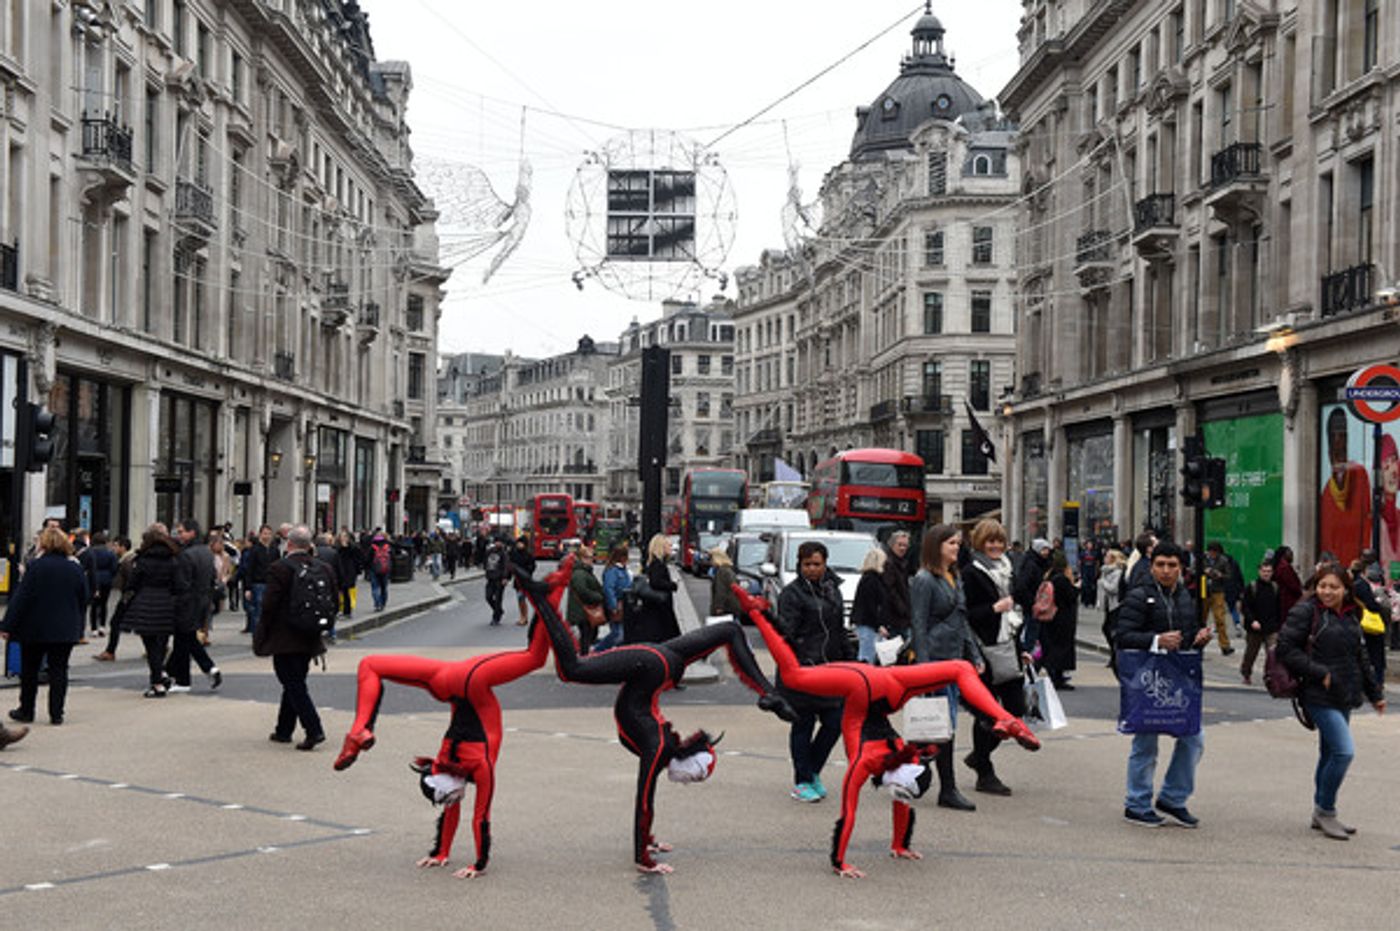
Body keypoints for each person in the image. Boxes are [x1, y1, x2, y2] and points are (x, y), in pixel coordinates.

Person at [735, 584, 1039, 879]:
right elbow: (849, 812)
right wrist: (840, 863)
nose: (899, 796)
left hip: (887, 685)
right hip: (867, 687)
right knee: (794, 676)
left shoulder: (905, 758)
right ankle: (757, 612)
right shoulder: (872, 762)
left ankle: (1006, 719)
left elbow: (894, 800)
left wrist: (899, 845)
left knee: (960, 668)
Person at [523, 557, 796, 874]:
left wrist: (648, 840)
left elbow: (645, 802)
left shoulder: (660, 743)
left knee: (731, 630)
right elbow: (644, 800)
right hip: (653, 665)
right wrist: (644, 858)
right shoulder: (657, 745)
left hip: (664, 662)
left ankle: (767, 692)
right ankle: (541, 598)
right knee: (571, 669)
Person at [332, 609, 553, 878]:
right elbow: (455, 810)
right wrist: (440, 852)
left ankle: (551, 594)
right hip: (446, 681)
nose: (454, 800)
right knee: (370, 664)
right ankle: (359, 730)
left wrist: (477, 865)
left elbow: (480, 818)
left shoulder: (479, 767)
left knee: (535, 657)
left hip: (472, 681)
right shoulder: (442, 762)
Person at [1277, 562, 1385, 840]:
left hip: (1345, 693)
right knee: (1343, 752)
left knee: (1329, 753)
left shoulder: (1351, 614)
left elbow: (1361, 657)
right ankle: (1326, 811)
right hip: (1316, 694)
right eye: (1322, 585)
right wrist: (1319, 672)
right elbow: (1286, 649)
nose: (1327, 591)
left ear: (1345, 589)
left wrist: (1375, 694)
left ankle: (1319, 811)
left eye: (1333, 587)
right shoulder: (1306, 611)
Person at [1115, 542, 1210, 827]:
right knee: (1145, 742)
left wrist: (1197, 639)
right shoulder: (1138, 596)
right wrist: (1156, 640)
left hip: (1177, 678)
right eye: (1161, 565)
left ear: (1181, 568)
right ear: (1151, 565)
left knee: (1193, 738)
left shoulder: (1184, 597)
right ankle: (1137, 802)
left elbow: (1187, 634)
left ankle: (1173, 797)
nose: (1166, 571)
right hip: (1148, 679)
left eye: (1172, 565)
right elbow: (1123, 635)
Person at [910, 524, 983, 811]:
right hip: (935, 660)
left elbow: (961, 620)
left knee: (944, 724)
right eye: (951, 543)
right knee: (938, 724)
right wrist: (924, 666)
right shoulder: (924, 579)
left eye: (958, 543)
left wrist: (974, 654)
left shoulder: (954, 576)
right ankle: (939, 784)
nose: (957, 547)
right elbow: (917, 622)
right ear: (936, 545)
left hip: (953, 659)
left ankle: (937, 783)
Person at [777, 540, 852, 804]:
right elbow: (784, 634)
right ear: (799, 564)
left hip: (831, 669)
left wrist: (850, 660)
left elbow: (839, 629)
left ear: (825, 563)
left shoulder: (833, 590)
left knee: (835, 723)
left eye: (816, 564)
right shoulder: (791, 594)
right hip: (802, 671)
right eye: (806, 564)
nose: (811, 569)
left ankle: (812, 771)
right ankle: (802, 780)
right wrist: (799, 662)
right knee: (803, 725)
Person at [961, 519, 1028, 796]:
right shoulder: (971, 572)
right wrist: (994, 607)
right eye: (990, 541)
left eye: (999, 541)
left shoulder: (1007, 569)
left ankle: (978, 755)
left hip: (1006, 646)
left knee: (1015, 709)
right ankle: (984, 771)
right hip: (983, 652)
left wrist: (1021, 647)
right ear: (979, 543)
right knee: (988, 714)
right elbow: (966, 615)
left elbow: (1013, 615)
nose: (995, 546)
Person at [2, 526, 88, 726]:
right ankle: (56, 713)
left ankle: (26, 709)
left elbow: (21, 598)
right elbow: (84, 596)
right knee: (59, 670)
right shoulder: (75, 567)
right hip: (65, 628)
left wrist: (7, 625)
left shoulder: (36, 567)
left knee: (30, 670)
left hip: (35, 627)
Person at [253, 526, 328, 751]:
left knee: (292, 682)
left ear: (290, 544)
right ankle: (284, 729)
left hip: (284, 635)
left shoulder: (280, 568)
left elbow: (269, 604)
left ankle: (313, 729)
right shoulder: (322, 567)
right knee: (295, 681)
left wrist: (262, 632)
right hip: (310, 634)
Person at [118, 524, 190, 698]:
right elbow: (180, 585)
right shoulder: (173, 559)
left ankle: (157, 681)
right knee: (161, 643)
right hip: (166, 604)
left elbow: (132, 583)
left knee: (151, 646)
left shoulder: (142, 560)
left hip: (145, 602)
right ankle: (160, 675)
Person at [165, 520, 221, 692]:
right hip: (202, 602)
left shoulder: (186, 555)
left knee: (185, 638)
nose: (179, 535)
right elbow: (212, 578)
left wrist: (174, 601)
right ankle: (182, 675)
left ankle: (180, 677)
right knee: (185, 640)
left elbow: (182, 584)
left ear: (192, 533)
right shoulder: (206, 552)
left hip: (187, 603)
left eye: (182, 532)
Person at [1319, 409, 1372, 568]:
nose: (1337, 442)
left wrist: (1362, 563)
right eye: (1333, 436)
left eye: (1342, 435)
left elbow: (1367, 522)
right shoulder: (1327, 492)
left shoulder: (1360, 475)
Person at [628, 534, 680, 644]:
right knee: (671, 640)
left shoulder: (653, 563)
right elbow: (656, 582)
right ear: (661, 547)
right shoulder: (658, 564)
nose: (671, 548)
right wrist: (673, 585)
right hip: (660, 610)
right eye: (668, 545)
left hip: (657, 609)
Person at [1239, 558, 1281, 685]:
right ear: (1259, 572)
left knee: (1272, 654)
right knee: (1251, 653)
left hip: (1271, 627)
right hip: (1255, 627)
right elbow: (1245, 607)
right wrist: (1252, 621)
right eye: (1264, 571)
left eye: (1269, 571)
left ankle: (1269, 675)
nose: (1266, 574)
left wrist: (1279, 624)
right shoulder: (1252, 587)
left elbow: (1279, 607)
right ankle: (1246, 673)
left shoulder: (1275, 587)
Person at [1041, 551, 1079, 690]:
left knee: (1053, 646)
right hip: (1062, 617)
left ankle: (1055, 674)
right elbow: (1070, 596)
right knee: (1061, 648)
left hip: (1052, 615)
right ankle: (1057, 677)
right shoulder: (1061, 579)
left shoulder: (1049, 576)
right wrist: (1075, 586)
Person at [1013, 537, 1053, 652]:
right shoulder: (1032, 565)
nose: (1046, 552)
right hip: (1033, 606)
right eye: (1043, 549)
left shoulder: (1039, 563)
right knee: (1031, 634)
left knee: (1035, 634)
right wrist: (1032, 602)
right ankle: (1028, 660)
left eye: (1047, 549)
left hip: (1035, 605)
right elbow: (1022, 586)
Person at [1353, 561, 1390, 685]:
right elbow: (1372, 606)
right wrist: (1379, 604)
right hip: (1371, 624)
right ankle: (1377, 682)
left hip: (1364, 623)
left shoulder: (1357, 584)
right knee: (1375, 656)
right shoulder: (1363, 585)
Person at [850, 547, 888, 665]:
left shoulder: (868, 578)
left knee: (867, 654)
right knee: (867, 657)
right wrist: (879, 625)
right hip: (868, 624)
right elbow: (871, 606)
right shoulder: (872, 580)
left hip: (865, 623)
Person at [566, 545, 606, 654]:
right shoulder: (580, 573)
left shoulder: (585, 571)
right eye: (588, 557)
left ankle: (582, 655)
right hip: (582, 610)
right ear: (581, 558)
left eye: (592, 557)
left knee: (588, 635)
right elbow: (582, 590)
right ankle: (583, 658)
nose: (591, 560)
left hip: (583, 609)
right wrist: (599, 596)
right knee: (586, 636)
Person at [78, 531, 117, 638]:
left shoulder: (89, 552)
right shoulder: (110, 553)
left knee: (94, 605)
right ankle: (102, 626)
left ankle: (94, 628)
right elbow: (114, 568)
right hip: (106, 580)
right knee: (104, 603)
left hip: (92, 579)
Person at [1202, 542, 1237, 657]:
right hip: (1204, 590)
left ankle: (1224, 645)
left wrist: (1219, 575)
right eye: (1211, 552)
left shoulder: (1223, 560)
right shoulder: (1202, 558)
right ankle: (1199, 643)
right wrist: (1204, 571)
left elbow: (1229, 575)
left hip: (1218, 590)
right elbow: (1193, 570)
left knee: (1220, 619)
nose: (1213, 555)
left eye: (1215, 553)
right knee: (1201, 618)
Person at [242, 525, 277, 633]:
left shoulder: (274, 550)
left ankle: (267, 635)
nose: (267, 536)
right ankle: (257, 635)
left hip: (271, 583)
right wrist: (248, 587)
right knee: (258, 611)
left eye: (269, 534)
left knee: (270, 611)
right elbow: (249, 569)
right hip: (258, 583)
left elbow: (277, 567)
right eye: (265, 533)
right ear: (260, 534)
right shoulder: (255, 550)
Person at [881, 531, 913, 651]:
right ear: (892, 545)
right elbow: (890, 589)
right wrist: (902, 608)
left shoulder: (903, 563)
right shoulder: (889, 563)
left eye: (905, 545)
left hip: (901, 616)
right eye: (900, 545)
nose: (903, 548)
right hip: (893, 616)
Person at [597, 543, 632, 652]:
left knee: (620, 634)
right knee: (617, 634)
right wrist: (613, 606)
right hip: (617, 605)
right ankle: (597, 651)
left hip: (622, 605)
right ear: (622, 557)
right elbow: (609, 589)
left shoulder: (621, 570)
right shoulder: (612, 571)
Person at [1097, 549, 1126, 669]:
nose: (1105, 558)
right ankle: (1114, 656)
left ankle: (1116, 657)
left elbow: (1113, 589)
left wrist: (1103, 582)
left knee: (1110, 630)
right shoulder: (1105, 571)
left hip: (1116, 605)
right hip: (1108, 605)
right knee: (1107, 629)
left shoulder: (1117, 572)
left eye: (1107, 557)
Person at [508, 535, 537, 626]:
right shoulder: (514, 554)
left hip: (525, 580)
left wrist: (527, 573)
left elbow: (532, 566)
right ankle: (523, 616)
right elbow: (511, 566)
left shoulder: (528, 555)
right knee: (520, 599)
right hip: (518, 580)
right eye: (518, 543)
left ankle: (524, 617)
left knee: (523, 598)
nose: (518, 545)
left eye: (520, 543)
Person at [334, 531, 361, 622]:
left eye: (345, 536)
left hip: (349, 571)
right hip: (340, 570)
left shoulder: (353, 547)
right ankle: (340, 609)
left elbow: (357, 559)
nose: (344, 538)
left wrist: (357, 571)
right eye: (342, 536)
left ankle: (347, 611)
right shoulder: (337, 547)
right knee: (339, 591)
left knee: (346, 591)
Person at [482, 537, 508, 624]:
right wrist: (486, 570)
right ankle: (499, 611)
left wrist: (505, 577)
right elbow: (485, 561)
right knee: (488, 597)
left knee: (498, 599)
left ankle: (496, 618)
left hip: (499, 579)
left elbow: (506, 566)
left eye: (500, 542)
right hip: (490, 578)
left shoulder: (504, 554)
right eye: (497, 542)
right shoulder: (489, 551)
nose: (498, 544)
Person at [368, 531, 392, 612]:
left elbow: (368, 559)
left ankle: (377, 604)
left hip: (374, 569)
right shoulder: (387, 546)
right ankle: (383, 603)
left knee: (375, 587)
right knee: (384, 587)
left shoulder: (372, 547)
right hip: (385, 570)